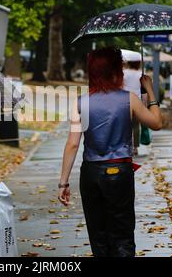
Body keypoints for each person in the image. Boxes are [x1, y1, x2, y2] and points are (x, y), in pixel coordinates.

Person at [58, 47, 162, 257]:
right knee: (122, 234)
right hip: (120, 171)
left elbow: (72, 144)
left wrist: (63, 182)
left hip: (91, 174)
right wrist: (149, 90)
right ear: (117, 70)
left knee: (98, 235)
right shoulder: (129, 99)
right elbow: (156, 123)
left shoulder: (80, 102)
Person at [122, 59, 143, 155]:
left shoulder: (124, 73)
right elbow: (144, 91)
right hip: (137, 102)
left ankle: (126, 146)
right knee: (136, 126)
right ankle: (135, 148)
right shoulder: (141, 74)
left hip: (125, 102)